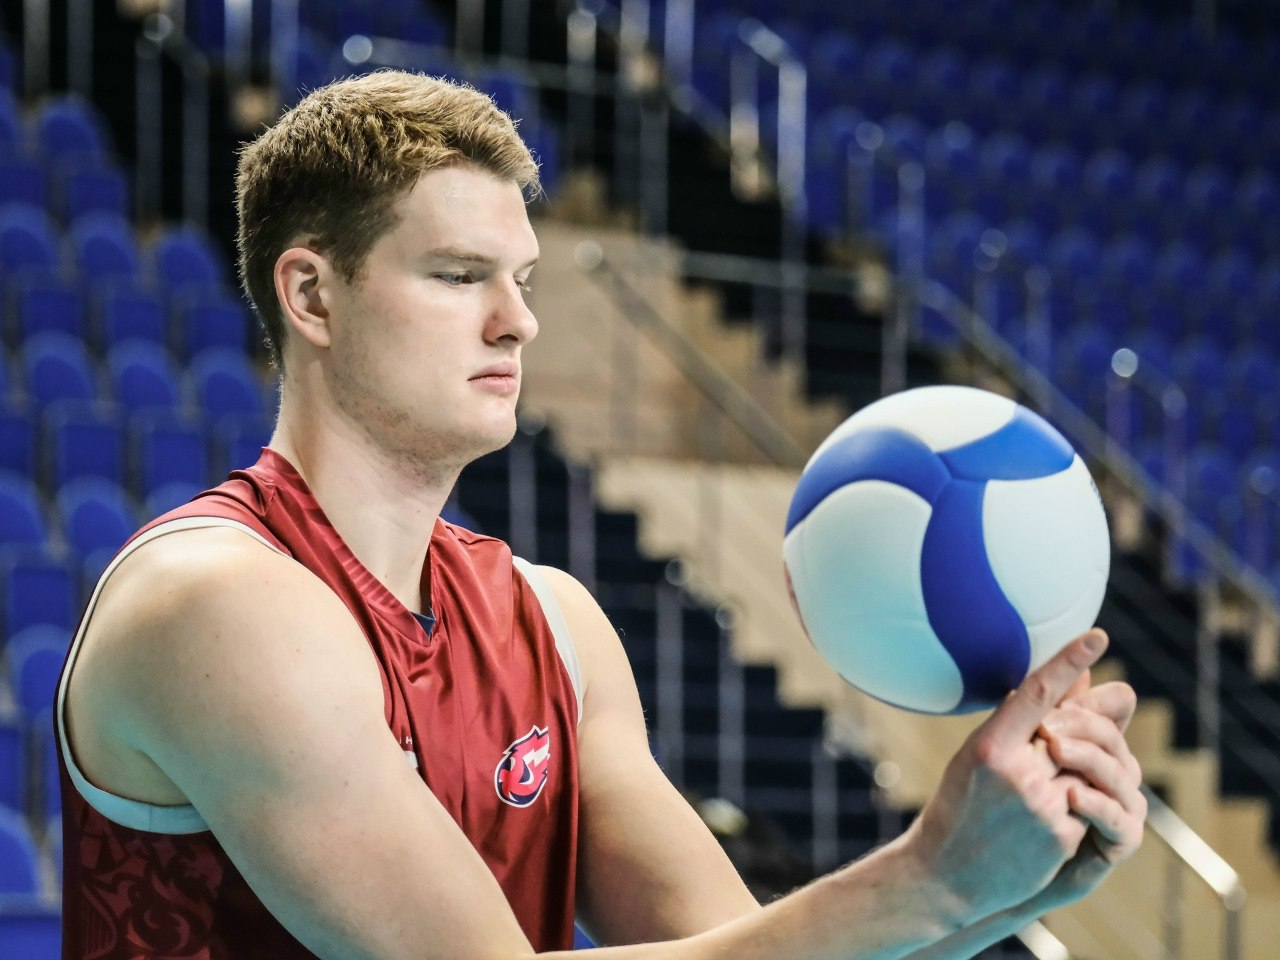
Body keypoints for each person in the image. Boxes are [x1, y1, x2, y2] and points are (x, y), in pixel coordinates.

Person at [54, 70, 1145, 960]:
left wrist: (997, 888)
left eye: (522, 280)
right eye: (459, 275)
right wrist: (928, 880)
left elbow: (738, 951)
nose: (516, 322)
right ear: (311, 295)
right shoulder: (216, 603)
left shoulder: (554, 623)